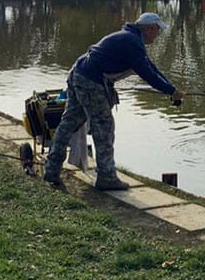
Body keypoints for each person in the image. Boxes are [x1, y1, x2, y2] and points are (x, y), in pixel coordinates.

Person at [43, 11, 183, 190]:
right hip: (91, 81)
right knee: (104, 128)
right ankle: (106, 177)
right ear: (149, 29)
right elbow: (147, 74)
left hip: (78, 72)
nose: (158, 34)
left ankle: (51, 169)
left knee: (69, 123)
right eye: (157, 30)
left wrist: (171, 89)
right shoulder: (132, 42)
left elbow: (152, 68)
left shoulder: (131, 38)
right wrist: (171, 91)